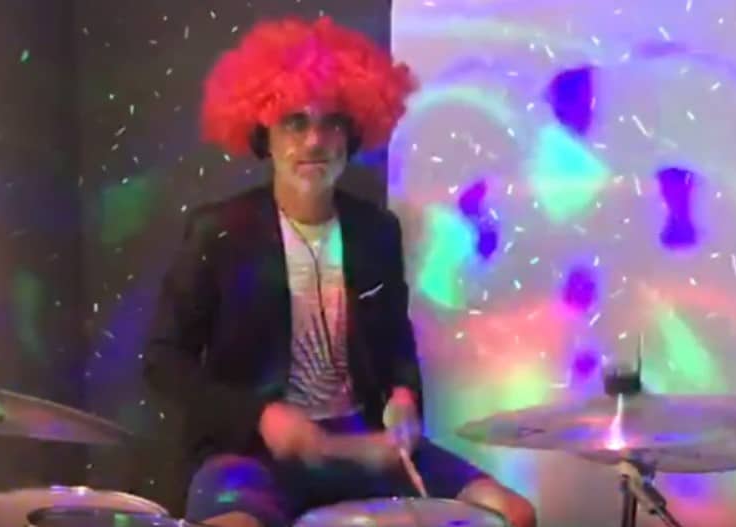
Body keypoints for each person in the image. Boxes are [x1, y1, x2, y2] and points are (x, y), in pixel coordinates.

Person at [144, 15, 537, 527]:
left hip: (363, 446)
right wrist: (259, 416)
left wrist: (404, 398)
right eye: (295, 122)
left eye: (330, 123)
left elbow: (396, 348)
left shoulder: (375, 231)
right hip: (250, 454)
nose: (314, 141)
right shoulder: (218, 233)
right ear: (265, 134)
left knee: (514, 514)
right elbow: (163, 361)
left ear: (351, 135)